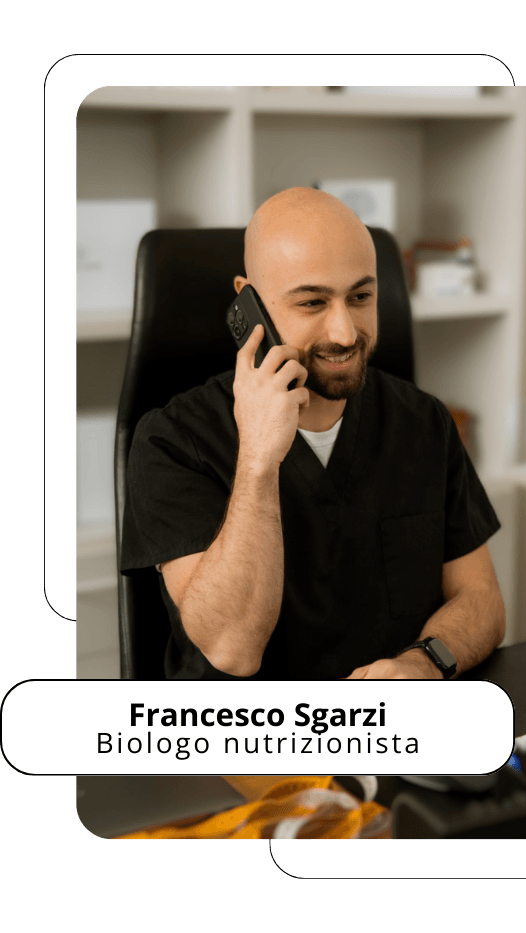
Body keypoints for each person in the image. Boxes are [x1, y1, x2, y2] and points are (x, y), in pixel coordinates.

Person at [120, 187, 505, 680]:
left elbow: (482, 599)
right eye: (312, 302)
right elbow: (233, 650)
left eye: (361, 297)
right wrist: (258, 459)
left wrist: (424, 662)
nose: (345, 332)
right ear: (249, 301)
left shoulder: (423, 421)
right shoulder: (173, 440)